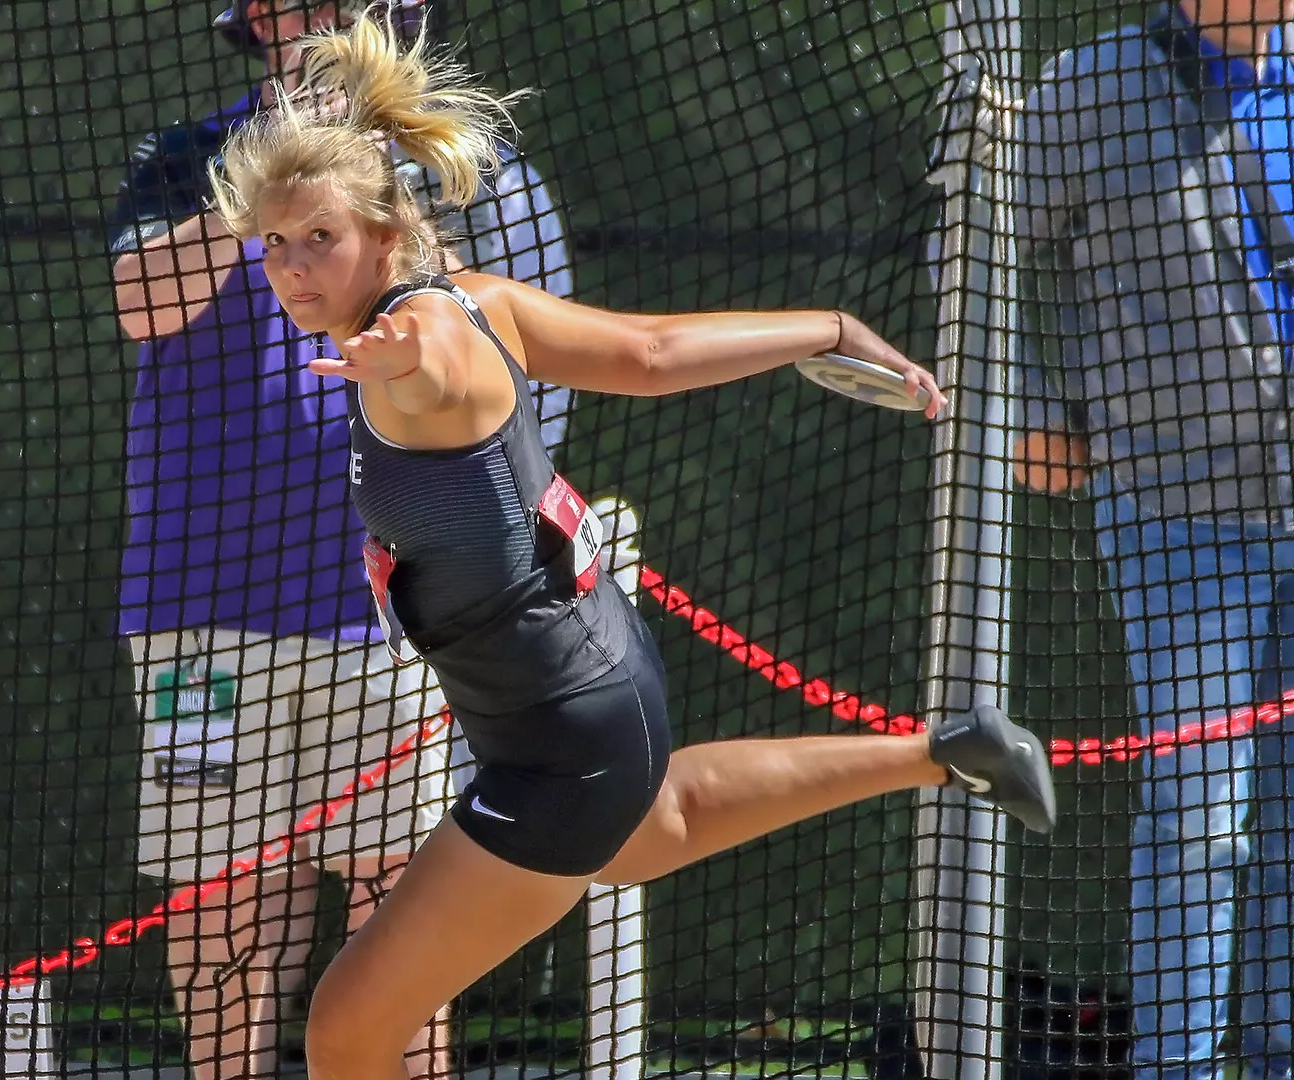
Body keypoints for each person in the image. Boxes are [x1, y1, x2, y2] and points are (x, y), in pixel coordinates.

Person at [201, 11, 1062, 1077]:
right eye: (275, 245)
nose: (291, 268)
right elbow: (651, 354)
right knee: (659, 825)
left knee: (345, 1027)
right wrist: (828, 327)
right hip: (603, 687)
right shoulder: (484, 300)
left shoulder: (421, 337)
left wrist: (397, 357)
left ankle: (938, 756)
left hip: (558, 743)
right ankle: (943, 753)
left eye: (319, 239)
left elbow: (428, 364)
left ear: (388, 233)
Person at [106, 1, 592, 1077]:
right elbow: (138, 303)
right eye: (299, 8)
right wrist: (272, 183)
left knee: (400, 906)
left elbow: (529, 348)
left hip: (402, 603)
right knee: (224, 905)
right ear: (258, 25)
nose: (324, 21)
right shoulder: (190, 154)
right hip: (205, 612)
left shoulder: (453, 166)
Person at [1013, 3, 1294, 1076]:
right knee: (1202, 823)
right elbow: (975, 257)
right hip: (1180, 513)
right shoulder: (1090, 89)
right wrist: (1029, 409)